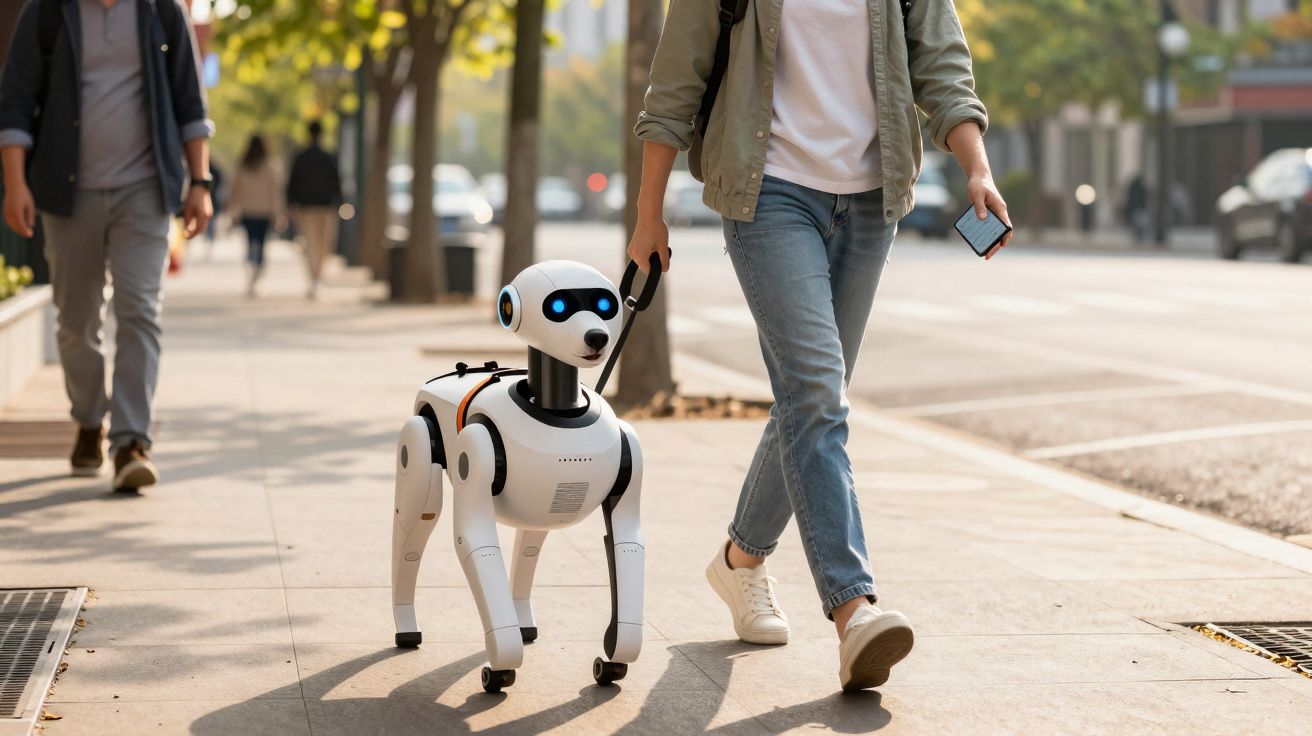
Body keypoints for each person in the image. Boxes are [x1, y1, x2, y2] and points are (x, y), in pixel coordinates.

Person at [629, 0, 1011, 691]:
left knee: (813, 400)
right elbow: (674, 84)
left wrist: (976, 168)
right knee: (815, 397)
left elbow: (943, 65)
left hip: (873, 200)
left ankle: (740, 562)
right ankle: (854, 608)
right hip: (767, 193)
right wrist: (647, 215)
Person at [0, 0, 214, 491]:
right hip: (65, 191)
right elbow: (15, 99)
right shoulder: (48, 12)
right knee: (76, 321)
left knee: (140, 310)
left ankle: (131, 441)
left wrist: (199, 183)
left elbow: (190, 101)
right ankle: (89, 419)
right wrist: (16, 183)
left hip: (145, 190)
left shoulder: (161, 11)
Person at [286, 120, 343, 300]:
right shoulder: (329, 156)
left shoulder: (300, 156)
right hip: (326, 206)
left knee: (310, 242)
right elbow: (337, 181)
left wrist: (291, 203)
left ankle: (314, 277)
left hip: (306, 206)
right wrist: (340, 201)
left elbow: (292, 183)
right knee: (325, 242)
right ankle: (317, 276)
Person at [228, 134, 284, 298]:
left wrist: (233, 210)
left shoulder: (242, 164)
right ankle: (257, 271)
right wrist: (278, 213)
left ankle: (251, 268)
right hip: (265, 212)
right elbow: (275, 192)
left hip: (247, 211)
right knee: (261, 243)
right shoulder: (271, 165)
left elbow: (234, 189)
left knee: (250, 242)